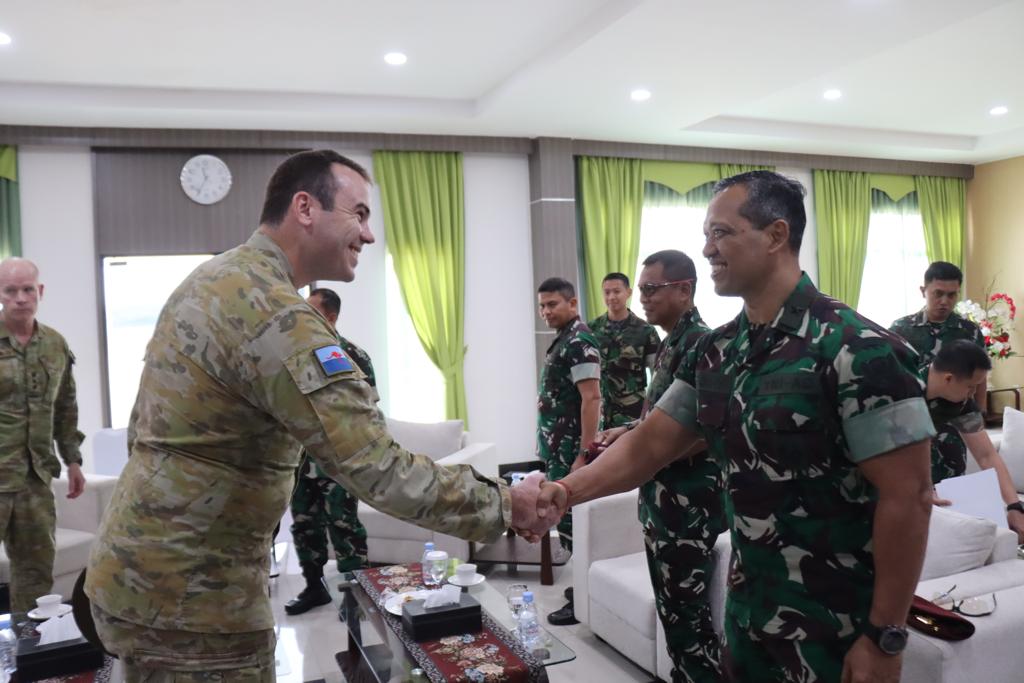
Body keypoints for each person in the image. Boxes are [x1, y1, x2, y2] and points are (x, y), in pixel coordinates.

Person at [84, 150, 544, 681]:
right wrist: (508, 503)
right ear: (305, 207)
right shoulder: (278, 316)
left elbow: (143, 429)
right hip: (197, 604)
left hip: (135, 574)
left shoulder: (212, 279)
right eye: (360, 214)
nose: (369, 236)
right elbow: (375, 466)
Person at [537, 171, 935, 683]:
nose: (707, 250)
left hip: (834, 629)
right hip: (748, 617)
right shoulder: (717, 351)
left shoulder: (856, 348)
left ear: (775, 235)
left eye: (721, 233)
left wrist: (886, 636)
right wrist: (563, 492)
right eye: (706, 235)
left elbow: (911, 496)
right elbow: (650, 445)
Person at [599, 250, 725, 682]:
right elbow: (670, 418)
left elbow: (701, 432)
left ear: (684, 290)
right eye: (643, 290)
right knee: (675, 617)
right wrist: (633, 429)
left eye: (652, 289)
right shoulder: (673, 340)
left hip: (689, 509)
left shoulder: (703, 344)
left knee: (689, 623)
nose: (644, 298)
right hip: (664, 503)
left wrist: (642, 441)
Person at [0, 258, 86, 618]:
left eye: (27, 289)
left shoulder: (54, 344)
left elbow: (65, 407)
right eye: (11, 290)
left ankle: (29, 652)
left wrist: (73, 460)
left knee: (35, 573)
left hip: (35, 480)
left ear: (40, 292)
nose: (20, 298)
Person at [285, 288, 373, 616]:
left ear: (331, 317)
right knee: (304, 525)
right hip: (301, 460)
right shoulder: (296, 356)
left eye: (310, 311)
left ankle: (357, 597)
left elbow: (368, 412)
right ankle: (314, 588)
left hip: (339, 462)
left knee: (344, 526)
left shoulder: (353, 356)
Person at [536, 276, 601, 625]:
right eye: (542, 305)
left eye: (553, 304)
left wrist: (584, 454)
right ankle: (581, 590)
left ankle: (584, 600)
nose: (546, 311)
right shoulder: (564, 339)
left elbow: (592, 398)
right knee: (568, 523)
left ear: (572, 304)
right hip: (558, 449)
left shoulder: (579, 340)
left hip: (571, 451)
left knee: (575, 524)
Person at [925, 340, 1024, 540]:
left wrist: (1014, 506)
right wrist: (921, 488)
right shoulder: (901, 392)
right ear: (948, 378)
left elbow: (987, 455)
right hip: (898, 495)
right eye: (971, 386)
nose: (973, 394)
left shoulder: (962, 403)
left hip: (946, 494)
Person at [890, 261, 987, 410]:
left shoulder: (970, 331)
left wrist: (981, 411)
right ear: (923, 291)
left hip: (960, 412)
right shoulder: (900, 329)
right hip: (916, 412)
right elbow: (892, 374)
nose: (944, 301)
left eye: (951, 295)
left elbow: (980, 376)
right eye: (938, 293)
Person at [588, 272, 659, 428]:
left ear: (628, 292)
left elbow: (657, 376)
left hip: (632, 415)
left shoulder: (645, 331)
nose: (611, 297)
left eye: (617, 291)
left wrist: (652, 413)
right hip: (598, 414)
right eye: (607, 292)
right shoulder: (591, 330)